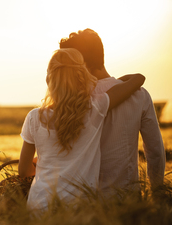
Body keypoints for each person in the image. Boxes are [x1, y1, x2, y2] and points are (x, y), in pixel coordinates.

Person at [18, 48, 145, 211]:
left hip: (39, 208)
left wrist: (45, 165)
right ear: (81, 76)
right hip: (80, 210)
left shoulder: (34, 117)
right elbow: (138, 79)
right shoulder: (95, 109)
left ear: (49, 79)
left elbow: (23, 171)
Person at [59, 29, 165, 195]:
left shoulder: (73, 102)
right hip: (128, 199)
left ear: (80, 63)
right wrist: (158, 193)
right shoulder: (139, 94)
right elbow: (155, 150)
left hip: (84, 202)